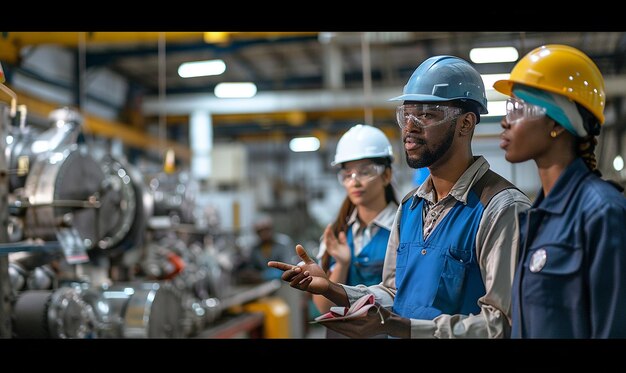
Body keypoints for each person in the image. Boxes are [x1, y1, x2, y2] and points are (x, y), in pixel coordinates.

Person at [269, 55, 532, 338]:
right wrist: (333, 289)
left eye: (427, 115)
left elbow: (503, 323)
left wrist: (401, 327)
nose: (409, 127)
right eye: (406, 115)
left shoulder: (500, 209)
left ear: (465, 124)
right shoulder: (411, 206)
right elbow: (394, 292)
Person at [493, 44, 626, 338]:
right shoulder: (538, 217)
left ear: (556, 121)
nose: (506, 121)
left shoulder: (602, 212)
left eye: (518, 108)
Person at [312, 124, 399, 338]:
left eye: (365, 172)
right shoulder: (336, 234)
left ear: (386, 175)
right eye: (347, 174)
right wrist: (342, 264)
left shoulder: (407, 229)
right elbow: (323, 308)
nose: (355, 182)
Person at [237, 215, 295, 283]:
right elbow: (252, 266)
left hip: (284, 284)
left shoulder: (284, 243)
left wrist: (263, 276)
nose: (264, 233)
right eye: (260, 231)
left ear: (272, 229)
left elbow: (290, 267)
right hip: (263, 285)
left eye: (267, 229)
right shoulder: (254, 248)